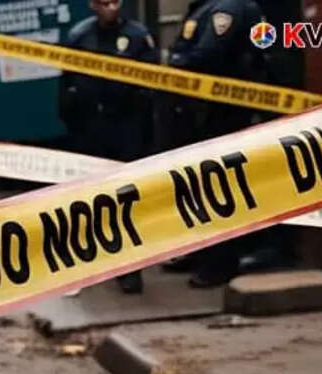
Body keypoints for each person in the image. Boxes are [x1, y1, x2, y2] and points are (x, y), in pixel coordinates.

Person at [159, 0, 277, 288]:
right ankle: (202, 253)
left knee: (220, 187)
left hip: (223, 115)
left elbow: (208, 54)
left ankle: (218, 264)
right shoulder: (206, 7)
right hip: (208, 115)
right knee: (202, 186)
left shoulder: (228, 8)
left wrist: (172, 62)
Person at [59, 0, 158, 294]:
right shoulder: (79, 36)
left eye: (114, 2)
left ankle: (130, 269)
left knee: (127, 200)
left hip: (127, 127)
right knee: (94, 200)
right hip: (92, 128)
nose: (110, 8)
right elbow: (66, 85)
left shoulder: (139, 37)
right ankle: (96, 263)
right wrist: (72, 121)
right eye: (104, 3)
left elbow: (154, 82)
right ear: (93, 5)